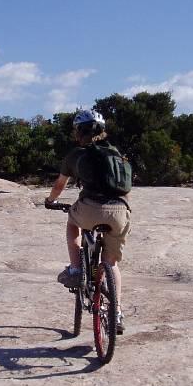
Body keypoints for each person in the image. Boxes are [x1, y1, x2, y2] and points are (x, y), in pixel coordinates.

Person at [44, 109, 131, 334]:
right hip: (120, 211)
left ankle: (75, 270)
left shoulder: (76, 154)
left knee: (73, 223)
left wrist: (50, 201)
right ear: (102, 131)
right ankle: (117, 313)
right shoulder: (116, 153)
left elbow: (59, 186)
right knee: (111, 264)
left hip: (91, 209)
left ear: (78, 132)